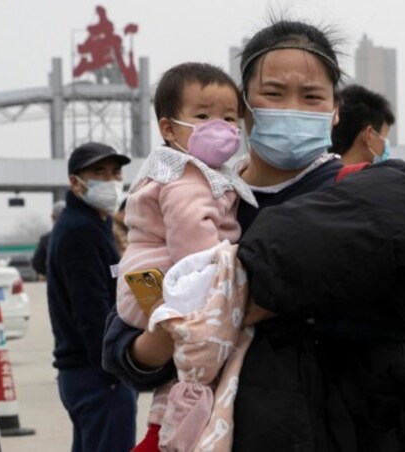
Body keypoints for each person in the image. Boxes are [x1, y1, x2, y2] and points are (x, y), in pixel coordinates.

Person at [103, 20, 405, 451]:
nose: (292, 107)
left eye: (312, 96)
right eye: (273, 94)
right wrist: (171, 335)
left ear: (335, 111)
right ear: (245, 108)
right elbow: (123, 344)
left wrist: (236, 302)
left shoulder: (361, 199)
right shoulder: (199, 196)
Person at [115, 62, 257, 450]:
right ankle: (176, 432)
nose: (222, 126)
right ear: (169, 128)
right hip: (165, 281)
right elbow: (194, 246)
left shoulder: (180, 170)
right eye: (203, 116)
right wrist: (229, 284)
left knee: (182, 371)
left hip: (146, 284)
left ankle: (166, 424)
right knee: (199, 365)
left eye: (230, 117)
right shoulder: (187, 177)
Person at [46, 142, 137, 452]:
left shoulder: (95, 223)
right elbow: (91, 312)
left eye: (115, 172)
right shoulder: (78, 231)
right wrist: (114, 371)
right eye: (99, 172)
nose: (110, 180)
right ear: (76, 181)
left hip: (88, 374)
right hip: (98, 377)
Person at [330, 83, 395, 165]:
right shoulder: (377, 177)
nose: (386, 146)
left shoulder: (321, 175)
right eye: (385, 137)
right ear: (369, 135)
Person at [31, 200, 65, 279]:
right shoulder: (80, 237)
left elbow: (36, 263)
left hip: (56, 285)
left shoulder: (46, 239)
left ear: (52, 217)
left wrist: (50, 273)